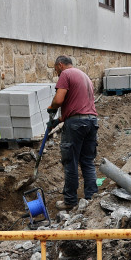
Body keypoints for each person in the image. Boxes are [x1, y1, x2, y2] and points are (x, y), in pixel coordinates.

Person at [47, 55, 99, 210]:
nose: (56, 73)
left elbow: (59, 100)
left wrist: (51, 108)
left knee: (70, 162)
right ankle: (91, 197)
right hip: (91, 121)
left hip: (76, 124)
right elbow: (79, 106)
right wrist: (59, 120)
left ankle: (70, 201)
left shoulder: (65, 74)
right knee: (87, 161)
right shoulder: (84, 76)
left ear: (60, 65)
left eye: (55, 69)